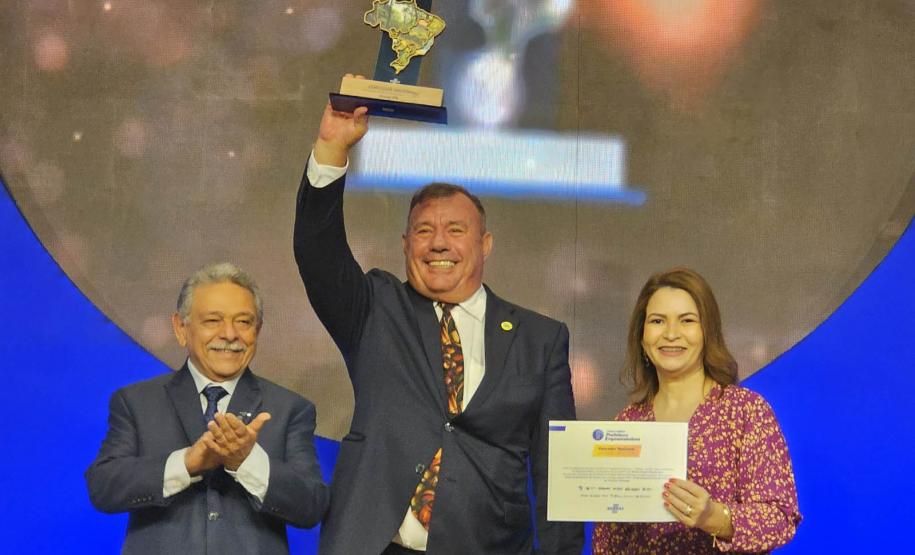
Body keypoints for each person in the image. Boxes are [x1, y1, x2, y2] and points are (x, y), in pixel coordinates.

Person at [293, 97, 584, 554]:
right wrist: (331, 148)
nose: (439, 242)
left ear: (485, 244)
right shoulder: (373, 309)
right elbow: (317, 249)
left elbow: (557, 471)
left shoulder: (540, 340)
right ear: (406, 244)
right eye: (424, 230)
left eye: (456, 229)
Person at [86, 262, 329, 554]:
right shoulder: (136, 402)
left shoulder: (290, 409)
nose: (229, 334)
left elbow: (311, 505)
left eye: (244, 322)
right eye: (213, 321)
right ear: (181, 328)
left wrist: (246, 461)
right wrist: (188, 463)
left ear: (258, 331)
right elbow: (103, 487)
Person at [592, 268, 801, 554]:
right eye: (657, 321)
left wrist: (715, 517)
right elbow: (608, 537)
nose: (671, 334)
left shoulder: (746, 411)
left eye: (687, 320)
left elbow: (781, 519)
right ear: (642, 337)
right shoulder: (628, 422)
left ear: (707, 332)